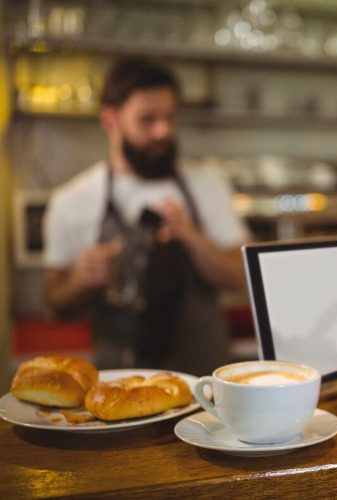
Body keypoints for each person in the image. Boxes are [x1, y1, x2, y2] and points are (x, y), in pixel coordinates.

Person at [42, 57, 249, 375]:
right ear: (110, 120)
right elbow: (55, 303)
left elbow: (241, 278)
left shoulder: (207, 184)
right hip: (119, 386)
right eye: (147, 119)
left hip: (205, 384)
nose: (163, 130)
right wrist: (80, 279)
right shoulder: (72, 201)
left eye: (170, 118)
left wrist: (193, 239)